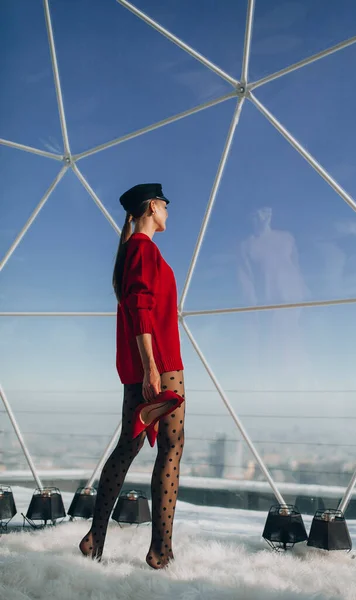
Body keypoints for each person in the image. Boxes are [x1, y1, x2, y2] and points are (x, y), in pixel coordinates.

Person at [79, 183, 185, 569]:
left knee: (130, 445)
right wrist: (153, 368)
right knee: (172, 446)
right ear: (154, 206)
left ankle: (96, 538)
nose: (168, 214)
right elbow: (141, 309)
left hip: (145, 364)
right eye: (166, 207)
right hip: (160, 363)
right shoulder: (143, 250)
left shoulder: (132, 252)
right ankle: (161, 550)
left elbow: (137, 305)